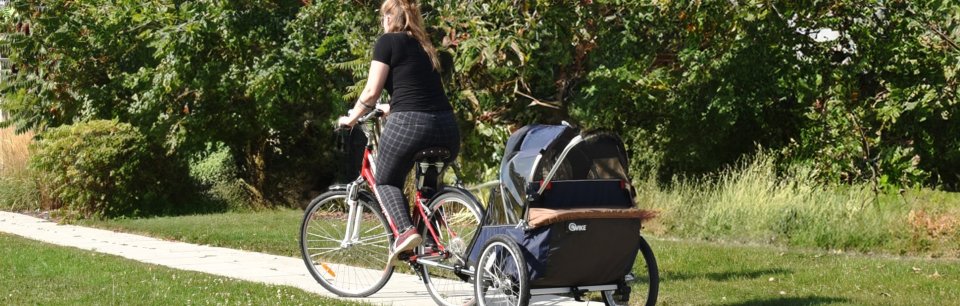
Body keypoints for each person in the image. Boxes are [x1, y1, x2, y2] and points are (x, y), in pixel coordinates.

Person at [336, 0, 459, 264]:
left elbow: (370, 92)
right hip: (447, 128)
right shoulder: (425, 47)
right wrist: (390, 107)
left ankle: (405, 233)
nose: (382, 22)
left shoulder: (387, 42)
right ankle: (431, 242)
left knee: (386, 181)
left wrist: (351, 118)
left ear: (391, 18)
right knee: (427, 192)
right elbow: (418, 92)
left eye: (383, 17)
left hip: (410, 125)